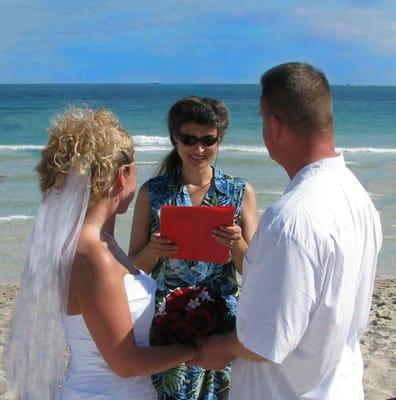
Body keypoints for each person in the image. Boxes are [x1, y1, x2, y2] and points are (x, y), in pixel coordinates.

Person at [193, 62, 383, 399]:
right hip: (338, 386)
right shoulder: (357, 197)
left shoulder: (291, 219)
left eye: (262, 119)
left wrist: (219, 347)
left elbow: (264, 342)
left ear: (274, 126)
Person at [5, 108, 195, 400]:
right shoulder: (94, 254)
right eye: (135, 168)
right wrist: (194, 351)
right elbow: (126, 363)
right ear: (123, 175)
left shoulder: (98, 242)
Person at [129, 96, 258, 399]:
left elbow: (252, 269)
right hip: (168, 322)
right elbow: (133, 268)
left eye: (207, 140)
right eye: (189, 140)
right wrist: (154, 250)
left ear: (219, 139)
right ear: (175, 139)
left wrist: (236, 241)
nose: (199, 150)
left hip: (221, 323)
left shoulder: (239, 191)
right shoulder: (154, 192)